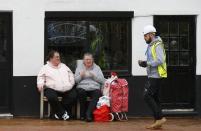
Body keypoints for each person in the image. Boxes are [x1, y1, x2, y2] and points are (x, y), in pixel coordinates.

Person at [138, 25, 167, 129]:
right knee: (155, 98)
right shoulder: (151, 45)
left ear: (151, 34)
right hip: (154, 75)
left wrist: (147, 63)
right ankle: (158, 123)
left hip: (156, 75)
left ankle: (160, 118)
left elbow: (160, 60)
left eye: (145, 36)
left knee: (146, 95)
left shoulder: (157, 44)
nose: (144, 38)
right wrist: (144, 63)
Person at [37, 50, 76, 120]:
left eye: (59, 57)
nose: (58, 58)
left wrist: (71, 83)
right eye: (57, 57)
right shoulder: (45, 67)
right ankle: (63, 113)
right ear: (51, 58)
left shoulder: (64, 66)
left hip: (67, 88)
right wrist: (40, 84)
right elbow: (41, 77)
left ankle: (56, 113)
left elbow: (71, 75)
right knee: (51, 97)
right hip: (52, 88)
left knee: (73, 96)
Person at [75, 53, 105, 122]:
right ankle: (82, 114)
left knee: (97, 93)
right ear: (83, 60)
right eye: (86, 59)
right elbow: (75, 81)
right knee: (81, 92)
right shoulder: (79, 68)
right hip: (82, 87)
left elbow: (102, 80)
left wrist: (94, 76)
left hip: (94, 87)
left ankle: (88, 114)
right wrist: (81, 76)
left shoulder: (97, 68)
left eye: (90, 59)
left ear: (93, 60)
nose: (88, 61)